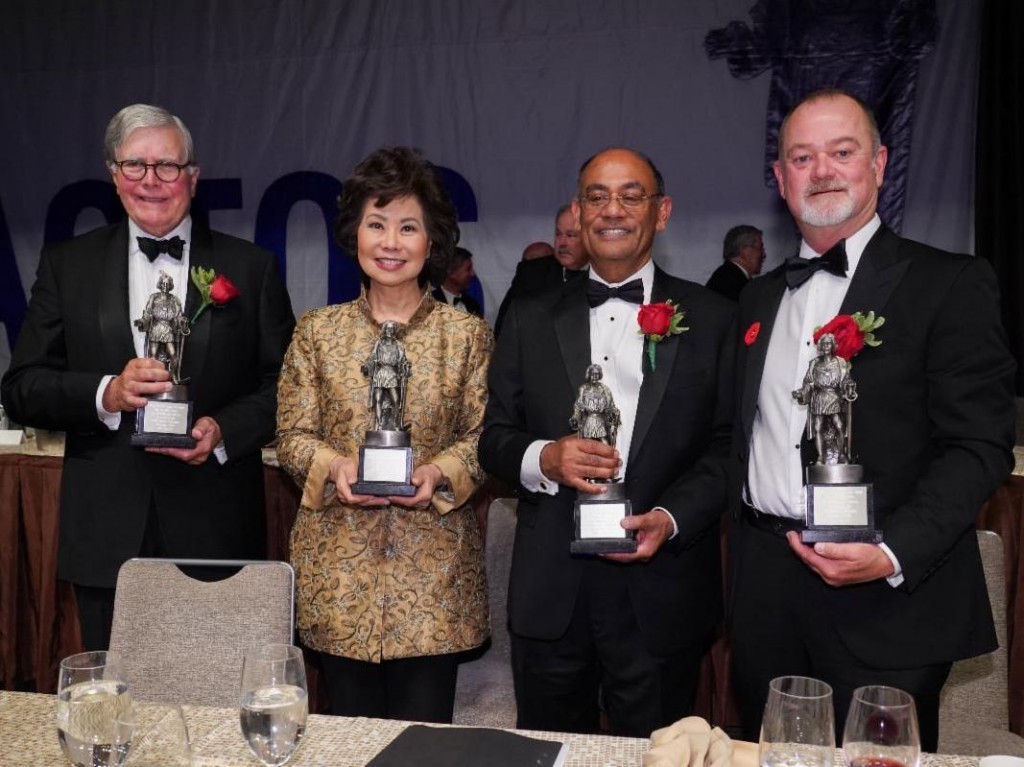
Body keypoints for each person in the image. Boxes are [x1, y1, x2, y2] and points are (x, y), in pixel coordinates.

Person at [729, 89, 1016, 751]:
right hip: (766, 593)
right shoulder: (757, 297)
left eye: (842, 151)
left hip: (889, 598)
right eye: (802, 156)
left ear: (880, 164)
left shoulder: (949, 282)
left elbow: (979, 446)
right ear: (780, 178)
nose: (822, 169)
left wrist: (891, 551)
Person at [0, 103, 296, 651]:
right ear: (114, 175)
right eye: (135, 166)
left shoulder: (251, 267)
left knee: (216, 705)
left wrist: (224, 431)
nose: (152, 181)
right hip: (107, 533)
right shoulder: (68, 264)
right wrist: (105, 393)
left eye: (168, 167)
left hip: (217, 528)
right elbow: (21, 386)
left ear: (193, 176)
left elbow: (287, 386)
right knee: (117, 713)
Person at [480, 147, 735, 737]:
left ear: (662, 211)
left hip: (661, 590)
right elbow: (492, 438)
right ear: (578, 210)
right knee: (548, 751)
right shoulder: (529, 315)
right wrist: (543, 456)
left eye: (630, 195)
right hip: (552, 592)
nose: (611, 209)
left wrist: (671, 517)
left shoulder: (714, 317)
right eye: (596, 196)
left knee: (658, 753)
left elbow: (728, 448)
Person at [276, 145, 493, 723]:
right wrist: (334, 469)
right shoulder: (317, 332)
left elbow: (485, 437)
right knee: (348, 742)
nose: (391, 243)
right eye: (377, 224)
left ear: (432, 241)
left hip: (433, 584)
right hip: (339, 577)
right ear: (354, 234)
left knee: (426, 749)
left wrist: (438, 473)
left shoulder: (466, 336)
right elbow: (292, 435)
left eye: (407, 227)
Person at [494, 203, 589, 335]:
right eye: (558, 234)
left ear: (590, 237)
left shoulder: (609, 274)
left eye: (570, 235)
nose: (561, 243)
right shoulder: (530, 273)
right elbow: (505, 328)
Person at [792, 332, 855, 465]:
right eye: (824, 343)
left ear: (833, 345)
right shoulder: (814, 363)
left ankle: (841, 454)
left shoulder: (841, 362)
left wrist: (849, 386)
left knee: (839, 425)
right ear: (820, 346)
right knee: (817, 427)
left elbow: (846, 380)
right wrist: (801, 392)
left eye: (829, 343)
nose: (826, 346)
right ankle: (820, 457)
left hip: (834, 397)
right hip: (819, 398)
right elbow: (808, 383)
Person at [135, 271, 190, 383]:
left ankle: (172, 375)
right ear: (160, 284)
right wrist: (142, 321)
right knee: (153, 356)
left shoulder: (175, 300)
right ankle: (153, 377)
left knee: (174, 354)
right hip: (156, 329)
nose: (165, 286)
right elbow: (148, 314)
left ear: (170, 286)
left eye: (167, 284)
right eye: (163, 284)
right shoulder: (154, 298)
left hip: (168, 330)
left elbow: (179, 316)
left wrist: (182, 322)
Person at [705, 224, 765, 301]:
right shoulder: (737, 286)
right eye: (760, 248)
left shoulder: (724, 276)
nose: (764, 255)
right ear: (745, 252)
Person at [431, 246, 483, 316]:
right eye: (468, 269)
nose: (472, 274)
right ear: (450, 271)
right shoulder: (430, 303)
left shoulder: (473, 304)